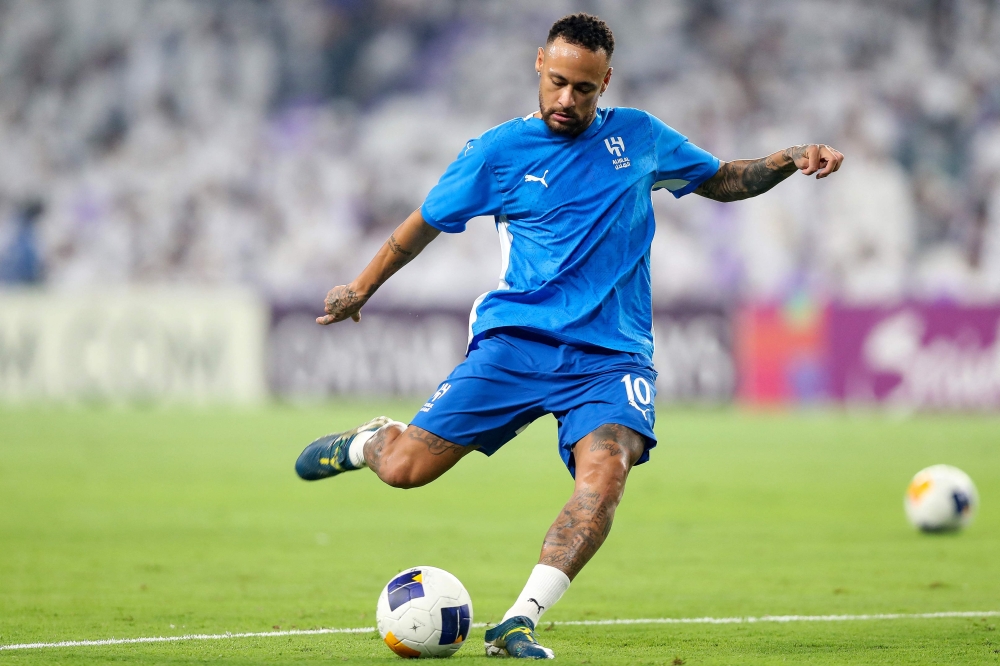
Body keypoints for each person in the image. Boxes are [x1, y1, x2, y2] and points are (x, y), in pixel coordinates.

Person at [295, 13, 843, 660]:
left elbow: (722, 179)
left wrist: (787, 157)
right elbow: (421, 225)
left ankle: (517, 622)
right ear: (539, 66)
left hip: (611, 357)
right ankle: (370, 442)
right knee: (407, 470)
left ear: (605, 81)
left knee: (605, 474)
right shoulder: (497, 153)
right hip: (517, 342)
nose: (566, 100)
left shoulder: (640, 137)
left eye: (583, 89)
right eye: (557, 83)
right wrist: (361, 287)